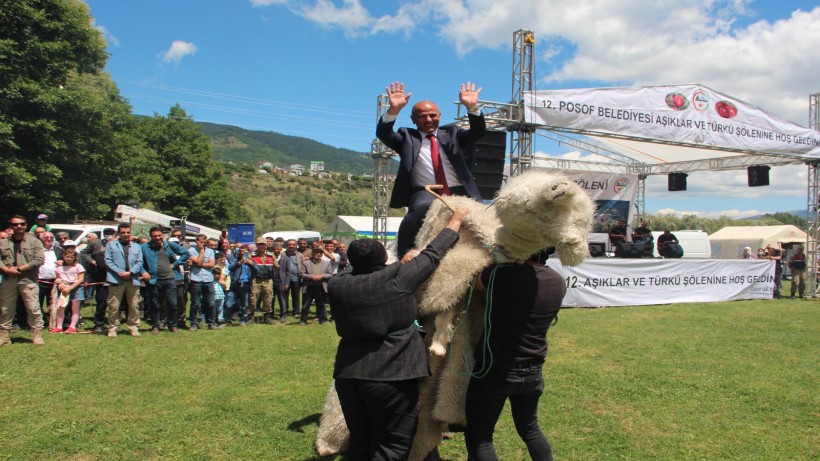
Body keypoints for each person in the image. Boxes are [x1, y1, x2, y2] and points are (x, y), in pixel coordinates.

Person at [328, 207, 470, 461]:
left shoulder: (338, 284)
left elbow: (360, 275)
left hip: (348, 376)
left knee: (360, 444)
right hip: (392, 376)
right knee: (391, 448)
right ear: (385, 259)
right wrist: (456, 220)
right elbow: (434, 252)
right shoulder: (397, 278)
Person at [464, 248, 566, 461]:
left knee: (480, 437)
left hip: (495, 371)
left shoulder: (501, 274)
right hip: (533, 370)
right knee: (530, 430)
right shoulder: (558, 281)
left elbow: (476, 286)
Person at [377, 81, 485, 258]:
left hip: (458, 189)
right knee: (421, 207)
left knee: (480, 218)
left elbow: (477, 133)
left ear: (440, 116)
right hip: (427, 191)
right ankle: (403, 253)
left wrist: (473, 108)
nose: (428, 119)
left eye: (432, 115)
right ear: (413, 119)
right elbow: (384, 134)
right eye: (422, 116)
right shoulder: (407, 137)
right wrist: (393, 110)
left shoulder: (452, 133)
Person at [0, 215, 46, 346]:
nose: (19, 226)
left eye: (22, 224)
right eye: (15, 225)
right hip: (9, 279)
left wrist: (20, 269)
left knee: (33, 308)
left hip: (28, 279)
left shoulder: (35, 241)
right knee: (5, 308)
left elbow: (39, 260)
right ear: (11, 226)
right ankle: (4, 336)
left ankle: (37, 334)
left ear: (26, 225)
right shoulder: (3, 242)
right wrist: (6, 269)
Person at [140, 227, 189, 334]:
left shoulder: (169, 245)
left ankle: (172, 325)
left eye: (159, 235)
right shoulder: (144, 247)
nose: (157, 238)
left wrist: (175, 264)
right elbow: (138, 262)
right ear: (151, 236)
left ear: (163, 235)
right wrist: (144, 271)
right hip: (153, 280)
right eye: (154, 236)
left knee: (172, 304)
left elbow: (185, 253)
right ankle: (155, 326)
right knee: (155, 304)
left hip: (170, 279)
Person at [104, 223, 145, 337]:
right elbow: (108, 261)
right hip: (116, 279)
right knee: (114, 305)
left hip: (133, 279)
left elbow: (140, 262)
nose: (126, 234)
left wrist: (130, 272)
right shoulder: (111, 245)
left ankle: (133, 327)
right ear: (119, 233)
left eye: (128, 232)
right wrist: (119, 272)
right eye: (123, 232)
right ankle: (112, 328)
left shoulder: (137, 246)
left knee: (134, 304)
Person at [187, 233, 222, 330]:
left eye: (205, 243)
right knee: (195, 303)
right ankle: (193, 323)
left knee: (210, 303)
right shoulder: (191, 250)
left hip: (208, 279)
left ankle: (211, 323)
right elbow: (198, 261)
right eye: (201, 242)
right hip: (196, 279)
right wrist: (201, 251)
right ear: (196, 241)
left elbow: (211, 264)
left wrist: (197, 264)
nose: (203, 244)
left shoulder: (210, 251)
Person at [50, 245, 85, 334]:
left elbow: (81, 279)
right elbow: (58, 279)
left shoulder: (78, 266)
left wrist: (71, 288)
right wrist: (60, 284)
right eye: (67, 257)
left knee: (75, 308)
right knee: (61, 307)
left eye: (72, 257)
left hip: (76, 288)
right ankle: (59, 326)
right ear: (64, 257)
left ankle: (72, 326)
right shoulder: (59, 268)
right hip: (64, 289)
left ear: (75, 257)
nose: (69, 259)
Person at [299, 247, 333, 325]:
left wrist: (322, 276)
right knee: (306, 305)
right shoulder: (306, 263)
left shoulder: (326, 263)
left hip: (321, 286)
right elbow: (302, 274)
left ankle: (323, 320)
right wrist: (312, 277)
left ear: (322, 254)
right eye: (316, 252)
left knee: (321, 304)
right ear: (312, 253)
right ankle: (303, 320)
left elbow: (330, 274)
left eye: (320, 253)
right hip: (309, 286)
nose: (318, 254)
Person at [249, 237, 277, 324]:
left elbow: (276, 267)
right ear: (256, 245)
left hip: (268, 280)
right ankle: (250, 316)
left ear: (266, 245)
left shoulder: (271, 255)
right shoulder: (251, 255)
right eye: (259, 244)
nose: (261, 246)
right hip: (256, 280)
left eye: (263, 244)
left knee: (268, 298)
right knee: (253, 298)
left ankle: (267, 317)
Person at [227, 244, 253, 326]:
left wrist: (251, 264)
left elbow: (257, 270)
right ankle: (227, 321)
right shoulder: (235, 260)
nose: (242, 253)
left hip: (245, 284)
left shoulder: (250, 261)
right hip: (235, 284)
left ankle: (242, 320)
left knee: (244, 304)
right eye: (240, 251)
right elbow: (230, 268)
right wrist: (238, 263)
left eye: (244, 251)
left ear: (248, 252)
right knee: (229, 303)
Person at [281, 239, 305, 318]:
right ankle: (285, 310)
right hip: (284, 279)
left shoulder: (300, 255)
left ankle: (296, 312)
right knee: (284, 295)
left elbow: (302, 265)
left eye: (293, 245)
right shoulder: (283, 254)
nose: (291, 246)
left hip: (296, 278)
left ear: (296, 245)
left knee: (296, 296)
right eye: (289, 244)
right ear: (286, 245)